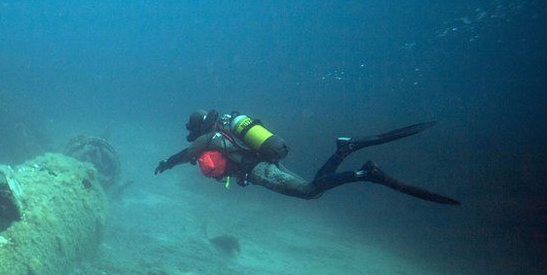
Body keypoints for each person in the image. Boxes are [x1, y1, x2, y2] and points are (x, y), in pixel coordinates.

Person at [154, 109, 460, 205]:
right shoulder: (227, 127)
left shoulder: (211, 137)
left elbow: (187, 153)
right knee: (313, 191)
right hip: (266, 162)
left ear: (200, 126)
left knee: (309, 191)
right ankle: (344, 150)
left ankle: (366, 173)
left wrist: (167, 163)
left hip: (260, 170)